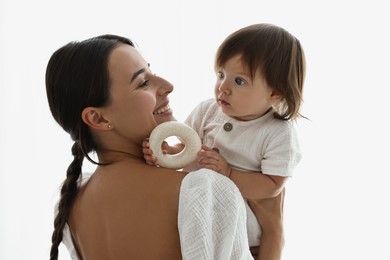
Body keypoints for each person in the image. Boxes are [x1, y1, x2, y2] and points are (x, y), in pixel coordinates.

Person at [46, 34, 254, 260]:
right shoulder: (203, 192)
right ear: (97, 118)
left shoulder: (71, 204)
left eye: (151, 72)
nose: (168, 86)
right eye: (143, 82)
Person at [143, 23, 306, 260]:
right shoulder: (208, 110)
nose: (223, 88)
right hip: (196, 204)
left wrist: (229, 173)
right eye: (221, 75)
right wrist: (167, 152)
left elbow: (273, 185)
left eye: (239, 81)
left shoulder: (277, 132)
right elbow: (191, 150)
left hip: (242, 219)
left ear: (275, 93)